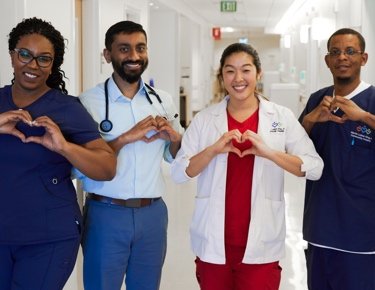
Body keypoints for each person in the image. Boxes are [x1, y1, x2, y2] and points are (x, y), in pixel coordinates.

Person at [170, 42, 323, 290]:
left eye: (246, 70)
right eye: (230, 71)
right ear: (222, 77)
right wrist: (213, 150)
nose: (238, 78)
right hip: (213, 243)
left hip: (261, 244)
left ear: (258, 73)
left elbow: (314, 168)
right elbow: (178, 173)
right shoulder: (205, 120)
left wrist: (271, 153)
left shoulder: (280, 118)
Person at [0, 17, 116, 290]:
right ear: (12, 55)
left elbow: (107, 167)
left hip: (48, 238)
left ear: (53, 65)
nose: (32, 65)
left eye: (44, 59)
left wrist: (65, 146)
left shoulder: (67, 109)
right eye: (25, 55)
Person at [77, 20, 183, 290]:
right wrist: (124, 138)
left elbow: (175, 157)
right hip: (105, 214)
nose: (134, 56)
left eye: (140, 48)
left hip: (153, 214)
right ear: (107, 54)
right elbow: (79, 167)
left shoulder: (163, 101)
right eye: (124, 49)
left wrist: (175, 138)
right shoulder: (88, 103)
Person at [299, 28, 375, 290]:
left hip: (362, 236)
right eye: (335, 52)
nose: (342, 57)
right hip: (319, 229)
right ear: (327, 60)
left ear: (363, 58)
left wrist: (364, 117)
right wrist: (310, 119)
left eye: (350, 51)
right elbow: (293, 152)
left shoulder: (372, 100)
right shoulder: (315, 100)